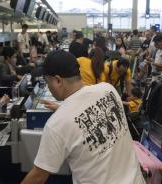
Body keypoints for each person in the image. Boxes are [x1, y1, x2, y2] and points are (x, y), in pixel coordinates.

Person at [21, 50, 145, 184]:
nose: (48, 86)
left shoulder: (56, 125)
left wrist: (64, 113)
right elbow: (93, 114)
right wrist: (63, 109)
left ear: (58, 80)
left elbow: (38, 176)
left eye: (47, 81)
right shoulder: (109, 90)